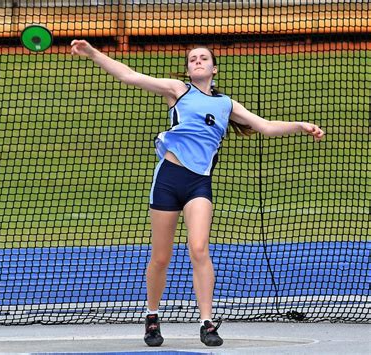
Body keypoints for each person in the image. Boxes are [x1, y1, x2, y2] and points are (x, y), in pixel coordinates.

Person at [70, 39, 325, 347]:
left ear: (214, 69)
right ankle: (152, 316)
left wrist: (300, 125)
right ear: (189, 70)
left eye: (204, 58)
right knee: (161, 257)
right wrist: (93, 53)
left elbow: (266, 126)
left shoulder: (226, 104)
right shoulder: (177, 90)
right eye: (193, 59)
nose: (199, 61)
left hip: (198, 183)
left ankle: (207, 322)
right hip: (168, 178)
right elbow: (128, 75)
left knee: (199, 248)